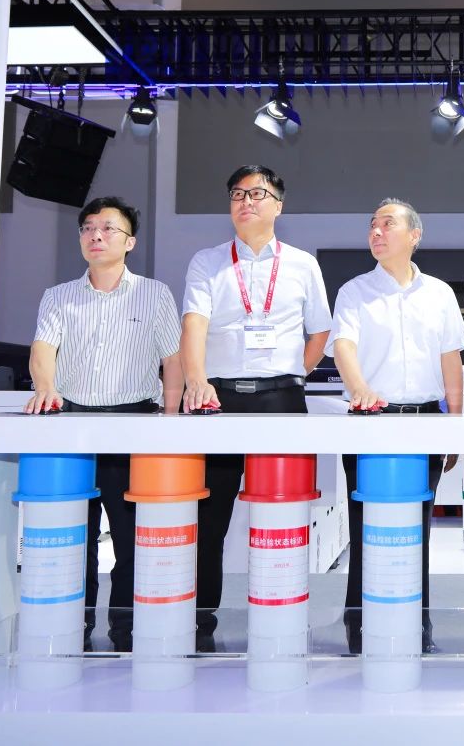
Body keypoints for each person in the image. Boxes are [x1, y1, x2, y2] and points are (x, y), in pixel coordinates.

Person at [179, 165, 332, 644]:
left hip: (281, 402)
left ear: (278, 205)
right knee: (209, 519)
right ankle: (199, 621)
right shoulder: (207, 261)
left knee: (282, 516)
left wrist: (294, 373)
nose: (246, 201)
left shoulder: (302, 264)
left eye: (257, 193)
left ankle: (281, 616)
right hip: (217, 399)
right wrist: (196, 381)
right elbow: (194, 324)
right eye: (237, 194)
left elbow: (321, 331)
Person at [25, 196, 184, 651]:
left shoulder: (154, 293)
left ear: (130, 241)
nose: (96, 235)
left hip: (134, 424)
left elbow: (172, 360)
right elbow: (43, 350)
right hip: (72, 426)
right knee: (75, 535)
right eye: (88, 227)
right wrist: (45, 387)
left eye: (108, 228)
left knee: (132, 538)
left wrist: (172, 418)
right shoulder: (58, 296)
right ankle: (73, 628)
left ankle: (125, 630)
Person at [326, 198, 464, 652]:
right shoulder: (354, 291)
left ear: (414, 235)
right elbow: (343, 346)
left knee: (417, 531)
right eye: (372, 225)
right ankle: (359, 627)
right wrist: (360, 389)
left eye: (388, 224)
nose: (376, 232)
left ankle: (417, 626)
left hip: (426, 422)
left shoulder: (439, 294)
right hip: (370, 421)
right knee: (365, 527)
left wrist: (455, 426)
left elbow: (451, 361)